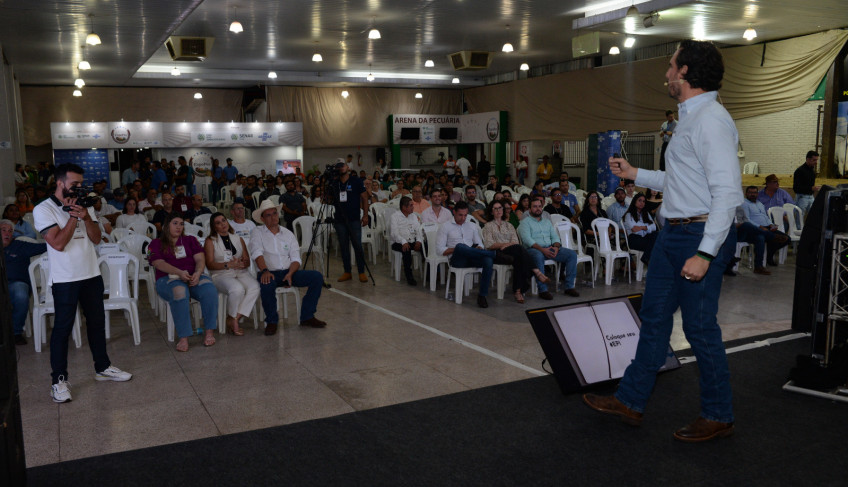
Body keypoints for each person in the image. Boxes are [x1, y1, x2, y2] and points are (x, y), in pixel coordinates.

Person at [584, 40, 742, 443]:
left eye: (672, 66)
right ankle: (631, 401)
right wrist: (636, 172)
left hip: (698, 236)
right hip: (673, 234)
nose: (667, 73)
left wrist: (706, 253)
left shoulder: (711, 120)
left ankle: (719, 415)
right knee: (653, 321)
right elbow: (683, 181)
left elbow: (727, 192)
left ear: (686, 72)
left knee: (700, 329)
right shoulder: (690, 118)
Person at [33, 163, 133, 403]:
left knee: (97, 323)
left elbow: (97, 238)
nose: (79, 188)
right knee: (62, 329)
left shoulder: (85, 204)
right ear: (60, 183)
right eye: (74, 184)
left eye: (81, 184)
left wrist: (86, 216)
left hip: (91, 274)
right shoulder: (43, 209)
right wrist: (71, 217)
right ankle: (59, 380)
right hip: (65, 279)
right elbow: (57, 243)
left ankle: (103, 367)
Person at [249, 200, 327, 334]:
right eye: (268, 215)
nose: (273, 217)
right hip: (268, 271)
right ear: (262, 218)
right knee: (266, 283)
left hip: (288, 272)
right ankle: (272, 321)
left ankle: (307, 316)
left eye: (275, 213)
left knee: (316, 277)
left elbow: (296, 258)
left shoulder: (288, 233)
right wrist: (265, 271)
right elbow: (257, 253)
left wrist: (290, 273)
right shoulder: (257, 232)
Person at [150, 214, 218, 351]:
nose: (179, 227)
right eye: (175, 223)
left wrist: (198, 273)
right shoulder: (156, 243)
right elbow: (158, 263)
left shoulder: (190, 240)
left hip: (193, 276)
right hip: (168, 278)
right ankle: (184, 337)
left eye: (181, 224)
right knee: (180, 291)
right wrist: (179, 272)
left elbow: (200, 259)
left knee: (209, 289)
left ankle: (209, 332)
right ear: (166, 226)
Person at [204, 212, 259, 336]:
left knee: (255, 287)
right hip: (220, 274)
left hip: (240, 271)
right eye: (218, 223)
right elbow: (209, 264)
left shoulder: (237, 238)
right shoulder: (210, 241)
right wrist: (227, 265)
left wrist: (241, 263)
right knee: (237, 289)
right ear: (214, 227)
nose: (223, 224)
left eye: (224, 220)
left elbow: (247, 261)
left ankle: (233, 317)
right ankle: (233, 318)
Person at [436, 201, 495, 308]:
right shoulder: (445, 226)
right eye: (460, 215)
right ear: (454, 212)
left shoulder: (472, 225)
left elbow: (479, 243)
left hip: (472, 256)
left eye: (465, 215)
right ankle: (494, 254)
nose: (463, 218)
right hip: (456, 259)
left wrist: (479, 248)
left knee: (488, 260)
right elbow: (440, 250)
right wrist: (458, 249)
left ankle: (482, 296)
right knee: (460, 246)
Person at [518, 198, 579, 299]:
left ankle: (569, 287)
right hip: (533, 250)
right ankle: (543, 290)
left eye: (539, 206)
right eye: (534, 206)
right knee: (538, 256)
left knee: (571, 254)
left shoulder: (547, 222)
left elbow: (555, 236)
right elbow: (527, 240)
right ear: (529, 209)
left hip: (550, 248)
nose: (538, 209)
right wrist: (542, 250)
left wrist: (556, 247)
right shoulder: (525, 222)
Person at [482, 200, 541, 303]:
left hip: (512, 252)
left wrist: (508, 245)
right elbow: (489, 245)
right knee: (519, 251)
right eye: (495, 208)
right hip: (497, 253)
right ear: (491, 212)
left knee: (518, 257)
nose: (498, 210)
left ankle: (518, 291)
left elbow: (515, 241)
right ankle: (535, 271)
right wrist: (505, 245)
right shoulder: (488, 226)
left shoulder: (509, 225)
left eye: (500, 208)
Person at [2, 219, 47, 345]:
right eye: (4, 230)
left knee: (21, 294)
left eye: (10, 231)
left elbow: (45, 246)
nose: (7, 233)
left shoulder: (21, 245)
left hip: (16, 284)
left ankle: (16, 333)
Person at [329, 160, 370, 282]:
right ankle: (347, 271)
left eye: (343, 165)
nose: (340, 168)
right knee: (344, 247)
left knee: (357, 246)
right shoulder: (334, 183)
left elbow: (364, 197)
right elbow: (329, 200)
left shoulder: (356, 181)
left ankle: (361, 272)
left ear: (348, 168)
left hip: (354, 219)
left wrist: (366, 215)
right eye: (338, 166)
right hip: (339, 220)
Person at [741, 186, 790, 266]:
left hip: (767, 227)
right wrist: (760, 226)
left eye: (755, 193)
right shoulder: (744, 204)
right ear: (746, 194)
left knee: (787, 239)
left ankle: (769, 255)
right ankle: (760, 264)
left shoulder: (759, 203)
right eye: (750, 193)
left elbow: (765, 217)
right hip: (754, 228)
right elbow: (747, 219)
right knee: (762, 238)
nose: (753, 195)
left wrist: (771, 224)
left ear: (757, 194)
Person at [390, 196, 424, 285]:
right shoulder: (395, 216)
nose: (413, 207)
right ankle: (409, 276)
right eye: (411, 206)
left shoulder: (413, 216)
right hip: (398, 242)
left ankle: (428, 273)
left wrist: (419, 241)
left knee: (425, 246)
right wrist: (403, 241)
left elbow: (418, 230)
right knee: (406, 249)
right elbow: (394, 233)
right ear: (404, 207)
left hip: (412, 240)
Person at [623, 193, 658, 264]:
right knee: (657, 244)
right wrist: (647, 228)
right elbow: (634, 230)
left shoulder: (646, 214)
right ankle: (647, 259)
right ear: (634, 201)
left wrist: (642, 227)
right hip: (634, 239)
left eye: (643, 201)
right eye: (639, 200)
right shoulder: (629, 215)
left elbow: (654, 227)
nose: (642, 203)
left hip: (645, 239)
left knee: (657, 234)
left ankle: (646, 258)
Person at [793, 150, 820, 217]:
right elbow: (796, 188)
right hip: (802, 197)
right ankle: (799, 228)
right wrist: (811, 188)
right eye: (814, 160)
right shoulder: (800, 171)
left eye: (817, 160)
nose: (816, 162)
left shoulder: (812, 171)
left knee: (814, 217)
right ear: (808, 159)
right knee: (799, 218)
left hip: (810, 196)